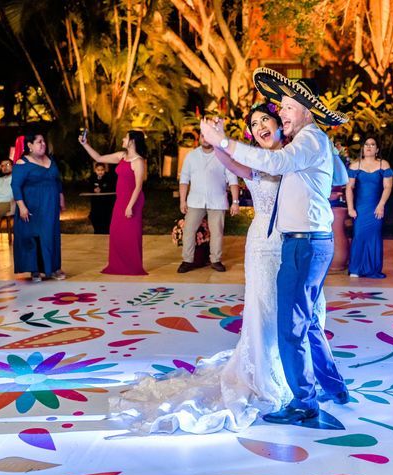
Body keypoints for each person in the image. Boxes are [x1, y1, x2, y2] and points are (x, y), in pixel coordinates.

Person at [110, 103, 299, 434]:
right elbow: (231, 163)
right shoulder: (255, 159)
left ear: (278, 123)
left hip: (289, 242)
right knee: (263, 309)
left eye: (264, 120)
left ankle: (289, 366)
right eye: (253, 124)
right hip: (262, 245)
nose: (259, 127)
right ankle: (268, 372)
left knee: (285, 309)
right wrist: (221, 140)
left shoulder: (294, 154)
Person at [201, 68, 350, 425]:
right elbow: (261, 167)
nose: (281, 113)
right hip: (306, 242)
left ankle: (304, 401)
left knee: (290, 327)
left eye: (287, 107)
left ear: (307, 111)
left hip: (304, 245)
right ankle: (333, 386)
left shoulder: (310, 140)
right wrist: (223, 147)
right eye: (279, 107)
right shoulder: (309, 141)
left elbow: (275, 162)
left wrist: (224, 142)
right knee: (309, 321)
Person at [79, 130, 147, 275]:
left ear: (132, 141)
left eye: (126, 137)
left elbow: (138, 186)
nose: (123, 139)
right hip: (120, 200)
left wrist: (130, 206)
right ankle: (118, 265)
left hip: (132, 201)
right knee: (116, 232)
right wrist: (85, 144)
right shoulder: (122, 156)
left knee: (131, 234)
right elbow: (98, 157)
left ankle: (132, 266)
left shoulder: (138, 161)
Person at [176, 131, 240, 273]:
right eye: (202, 136)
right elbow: (184, 180)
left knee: (217, 232)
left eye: (208, 136)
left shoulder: (223, 156)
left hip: (217, 201)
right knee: (188, 230)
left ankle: (215, 260)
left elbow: (233, 180)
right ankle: (187, 260)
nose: (205, 139)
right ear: (199, 138)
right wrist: (182, 201)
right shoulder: (191, 156)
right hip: (195, 201)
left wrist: (235, 201)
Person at [12, 133, 65, 282]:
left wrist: (61, 197)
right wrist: (22, 207)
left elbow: (57, 181)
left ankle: (53, 268)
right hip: (32, 206)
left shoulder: (50, 160)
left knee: (51, 236)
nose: (43, 144)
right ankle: (35, 270)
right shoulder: (22, 163)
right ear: (29, 145)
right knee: (33, 236)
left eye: (44, 142)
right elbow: (15, 186)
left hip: (50, 206)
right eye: (39, 142)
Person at [345, 137, 393, 278]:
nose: (369, 146)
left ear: (377, 149)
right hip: (360, 208)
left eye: (372, 145)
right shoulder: (355, 165)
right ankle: (355, 269)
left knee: (374, 236)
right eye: (366, 144)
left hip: (376, 207)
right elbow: (349, 188)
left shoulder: (383, 165)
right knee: (359, 235)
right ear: (363, 148)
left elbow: (388, 186)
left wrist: (381, 205)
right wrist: (350, 208)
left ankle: (373, 269)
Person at [87, 162, 116, 234]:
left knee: (106, 220)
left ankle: (107, 233)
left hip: (106, 204)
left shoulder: (109, 177)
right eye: (98, 170)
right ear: (95, 170)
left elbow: (111, 187)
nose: (100, 172)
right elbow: (89, 187)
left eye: (102, 170)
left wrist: (102, 189)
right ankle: (97, 232)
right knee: (96, 219)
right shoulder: (92, 177)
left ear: (105, 170)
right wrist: (94, 189)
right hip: (96, 204)